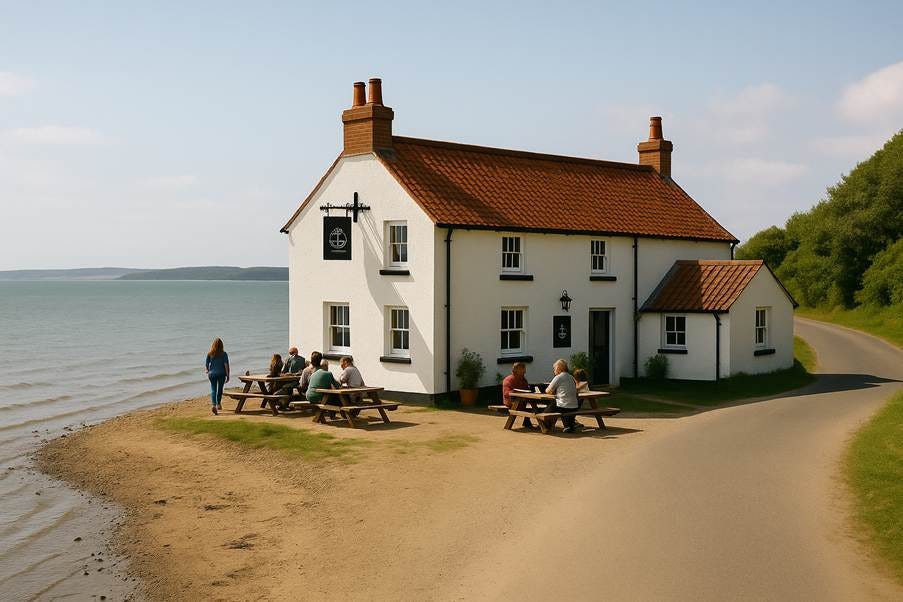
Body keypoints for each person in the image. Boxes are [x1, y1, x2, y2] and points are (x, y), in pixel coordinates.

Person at [545, 359, 579, 433]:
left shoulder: (559, 377)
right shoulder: (571, 377)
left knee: (548, 409)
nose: (554, 371)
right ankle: (569, 426)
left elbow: (548, 391)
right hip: (575, 406)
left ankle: (545, 425)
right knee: (559, 403)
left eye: (554, 368)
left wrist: (552, 391)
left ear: (558, 368)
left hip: (563, 407)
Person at [502, 362, 535, 429]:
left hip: (522, 402)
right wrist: (517, 393)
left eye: (524, 369)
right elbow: (506, 393)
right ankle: (527, 422)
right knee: (531, 408)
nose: (525, 371)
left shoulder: (523, 380)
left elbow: (527, 389)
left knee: (535, 406)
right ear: (516, 370)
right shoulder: (508, 379)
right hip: (512, 402)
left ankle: (527, 422)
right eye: (522, 369)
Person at [204, 338, 230, 415]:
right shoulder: (224, 354)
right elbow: (226, 365)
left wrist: (207, 370)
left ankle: (213, 405)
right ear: (221, 345)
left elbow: (206, 364)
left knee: (213, 389)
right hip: (221, 373)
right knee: (220, 389)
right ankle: (218, 404)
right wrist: (228, 375)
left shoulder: (210, 353)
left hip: (212, 374)